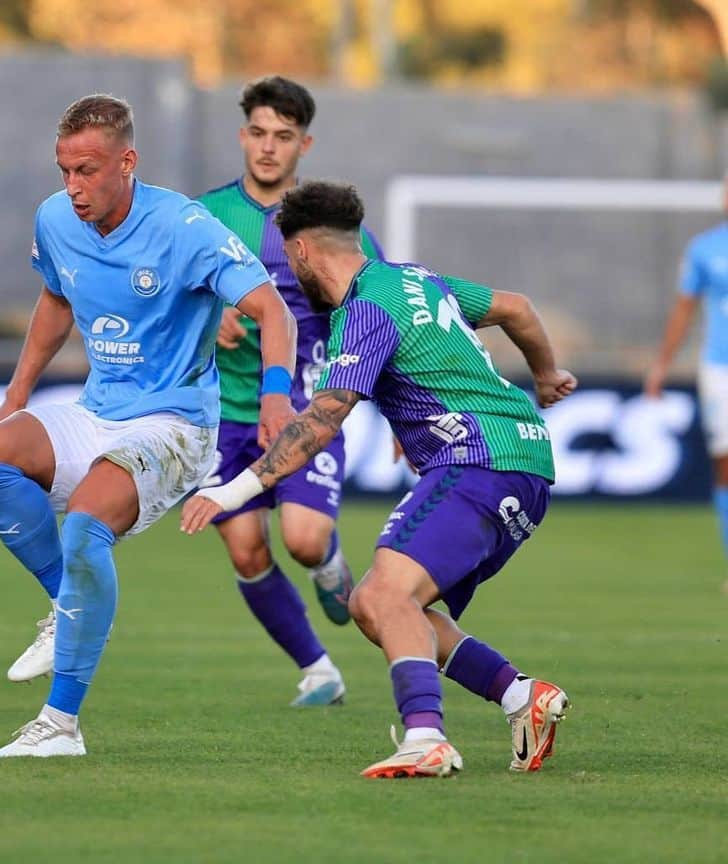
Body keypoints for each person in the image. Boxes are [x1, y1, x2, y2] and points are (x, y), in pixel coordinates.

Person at [182, 181, 578, 778]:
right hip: (524, 466)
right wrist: (546, 376)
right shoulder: (416, 279)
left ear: (305, 251)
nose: (292, 270)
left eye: (290, 259)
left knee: (384, 596)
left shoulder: (364, 307)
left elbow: (320, 419)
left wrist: (231, 491)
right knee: (380, 606)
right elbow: (516, 307)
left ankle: (425, 738)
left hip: (477, 460)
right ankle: (522, 697)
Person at [0, 94, 295, 758]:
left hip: (174, 425)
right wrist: (17, 392)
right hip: (98, 411)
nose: (73, 187)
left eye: (88, 171)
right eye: (64, 171)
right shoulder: (56, 220)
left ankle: (59, 727)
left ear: (127, 161)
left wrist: (275, 396)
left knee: (86, 528)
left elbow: (272, 309)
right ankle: (69, 607)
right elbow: (57, 297)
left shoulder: (185, 227)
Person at [198, 76, 384, 706]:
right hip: (223, 419)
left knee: (303, 540)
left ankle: (329, 562)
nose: (268, 148)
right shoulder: (205, 217)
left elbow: (381, 315)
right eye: (258, 133)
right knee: (247, 551)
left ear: (305, 144)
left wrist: (409, 420)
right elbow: (165, 297)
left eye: (283, 137)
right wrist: (207, 315)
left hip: (306, 413)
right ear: (242, 136)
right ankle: (319, 672)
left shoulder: (330, 225)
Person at [645, 176, 728, 592]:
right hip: (722, 369)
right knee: (726, 465)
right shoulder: (705, 248)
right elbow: (684, 310)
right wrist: (662, 364)